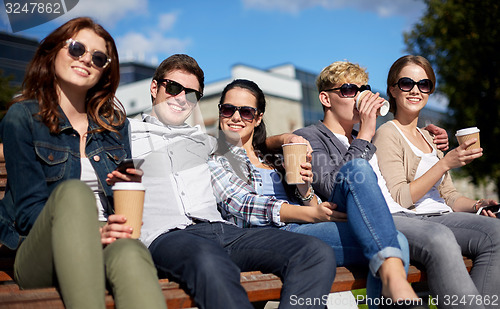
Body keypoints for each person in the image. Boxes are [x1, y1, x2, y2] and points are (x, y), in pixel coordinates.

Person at [118, 54, 337, 309]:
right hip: (166, 235)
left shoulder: (206, 143)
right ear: (155, 87)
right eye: (174, 88)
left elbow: (247, 150)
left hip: (222, 230)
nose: (181, 98)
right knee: (208, 258)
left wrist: (282, 140)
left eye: (190, 94)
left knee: (315, 252)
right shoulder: (124, 135)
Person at [213, 78, 428, 308]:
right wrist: (310, 214)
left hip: (301, 230)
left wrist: (305, 190)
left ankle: (393, 284)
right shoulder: (217, 159)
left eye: (246, 112)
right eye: (228, 110)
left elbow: (308, 201)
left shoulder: (273, 157)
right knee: (358, 172)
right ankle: (395, 285)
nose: (236, 117)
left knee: (396, 240)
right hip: (265, 238)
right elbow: (242, 205)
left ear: (258, 118)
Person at [0, 17, 166, 309]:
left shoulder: (114, 126)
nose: (87, 60)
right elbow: (28, 214)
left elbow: (123, 208)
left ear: (104, 71)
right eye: (77, 48)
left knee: (130, 253)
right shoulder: (23, 118)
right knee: (74, 193)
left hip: (106, 242)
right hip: (38, 250)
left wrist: (124, 192)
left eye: (98, 57)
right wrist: (92, 234)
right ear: (53, 52)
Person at [372, 55, 500, 309]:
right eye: (407, 83)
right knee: (441, 237)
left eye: (424, 84)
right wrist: (445, 162)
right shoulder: (387, 133)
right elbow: (401, 198)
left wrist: (477, 205)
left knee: (496, 232)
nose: (416, 90)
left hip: (440, 216)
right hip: (408, 219)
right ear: (392, 89)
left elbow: (449, 196)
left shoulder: (430, 138)